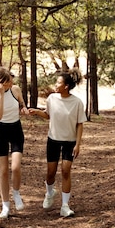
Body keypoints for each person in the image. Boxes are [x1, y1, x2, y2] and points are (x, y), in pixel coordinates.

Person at [29, 70, 87, 217]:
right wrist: (36, 112)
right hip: (53, 140)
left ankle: (65, 206)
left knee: (66, 170)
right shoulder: (52, 98)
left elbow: (80, 124)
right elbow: (48, 115)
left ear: (66, 86)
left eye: (59, 82)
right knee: (50, 173)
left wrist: (78, 144)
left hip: (70, 142)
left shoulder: (77, 102)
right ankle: (50, 193)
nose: (56, 85)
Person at [0, 67, 30, 219]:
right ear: (0, 83)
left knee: (16, 167)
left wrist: (24, 108)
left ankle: (16, 193)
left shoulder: (16, 89)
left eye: (12, 81)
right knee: (4, 170)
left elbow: (21, 104)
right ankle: (5, 205)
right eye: (8, 83)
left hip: (16, 129)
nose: (11, 84)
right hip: (2, 131)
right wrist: (1, 95)